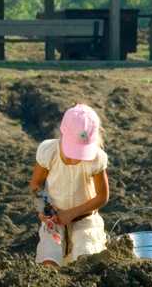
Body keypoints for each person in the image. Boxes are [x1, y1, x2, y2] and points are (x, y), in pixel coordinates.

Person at [28, 104, 110, 266]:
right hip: (55, 219)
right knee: (49, 257)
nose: (75, 159)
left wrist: (72, 213)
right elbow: (36, 185)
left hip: (85, 219)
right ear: (62, 134)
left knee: (85, 259)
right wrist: (43, 208)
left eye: (80, 152)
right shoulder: (49, 151)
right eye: (72, 151)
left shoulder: (96, 158)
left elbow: (102, 196)